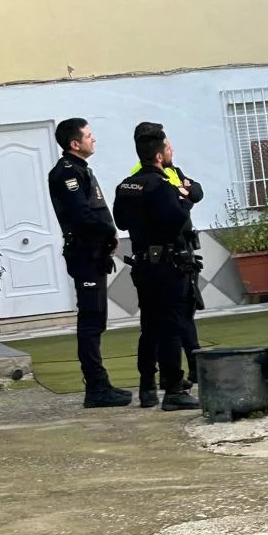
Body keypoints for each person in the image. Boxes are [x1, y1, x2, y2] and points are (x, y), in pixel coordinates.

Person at [112, 126, 200, 411]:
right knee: (172, 326)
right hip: (168, 264)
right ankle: (173, 389)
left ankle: (147, 386)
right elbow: (176, 219)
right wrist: (183, 201)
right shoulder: (161, 186)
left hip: (142, 265)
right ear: (159, 156)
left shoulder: (126, 185)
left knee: (148, 326)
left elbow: (122, 222)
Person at [48, 118, 130, 408]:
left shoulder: (81, 169)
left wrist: (108, 237)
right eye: (89, 136)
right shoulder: (66, 173)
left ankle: (100, 385)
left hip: (94, 253)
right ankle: (96, 388)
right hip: (84, 254)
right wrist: (108, 232)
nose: (93, 139)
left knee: (97, 320)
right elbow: (82, 214)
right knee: (91, 321)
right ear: (74, 143)